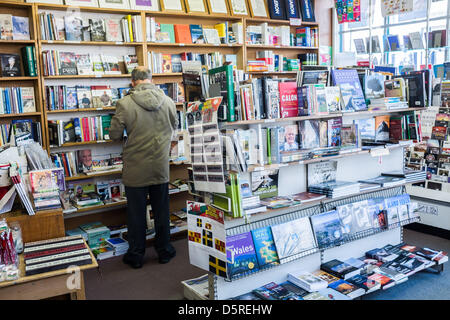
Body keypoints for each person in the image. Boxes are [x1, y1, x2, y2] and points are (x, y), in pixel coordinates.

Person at [110, 66, 178, 268]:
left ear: (133, 82)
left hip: (135, 168)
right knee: (162, 212)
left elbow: (114, 134)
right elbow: (173, 126)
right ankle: (165, 251)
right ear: (151, 79)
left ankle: (136, 256)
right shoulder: (168, 101)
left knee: (136, 215)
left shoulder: (124, 103)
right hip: (160, 166)